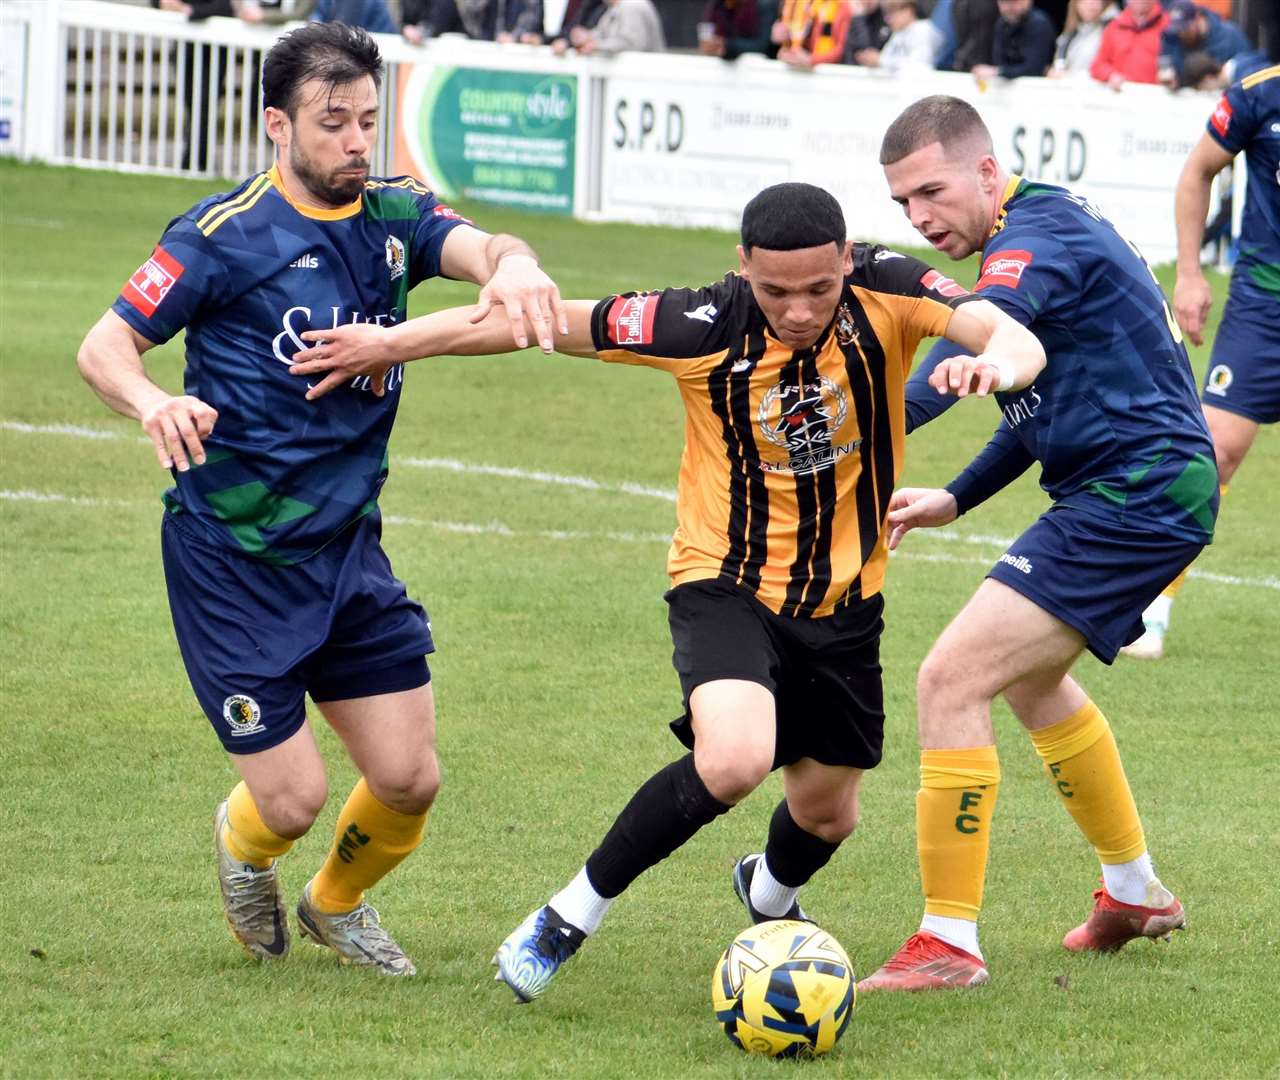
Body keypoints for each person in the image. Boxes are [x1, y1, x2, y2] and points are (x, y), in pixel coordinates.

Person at [286, 181, 1047, 1002]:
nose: (797, 310)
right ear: (742, 268)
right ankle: (567, 914)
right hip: (724, 583)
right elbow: (529, 321)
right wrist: (392, 343)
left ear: (845, 261)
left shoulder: (890, 285)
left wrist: (993, 365)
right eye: (775, 290)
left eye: (818, 289)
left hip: (844, 605)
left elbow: (1009, 332)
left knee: (828, 814)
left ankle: (768, 898)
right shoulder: (701, 322)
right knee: (733, 759)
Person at [74, 22, 566, 977]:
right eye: (332, 122)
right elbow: (104, 345)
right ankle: (243, 849)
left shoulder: (393, 214)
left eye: (368, 121)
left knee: (409, 778)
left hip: (345, 547)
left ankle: (335, 904)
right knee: (291, 801)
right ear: (277, 125)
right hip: (233, 557)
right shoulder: (218, 236)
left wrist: (512, 262)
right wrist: (151, 399)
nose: (354, 141)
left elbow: (481, 249)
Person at [862, 94, 1218, 991]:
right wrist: (954, 495)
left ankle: (947, 944)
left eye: (931, 193)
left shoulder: (1033, 241)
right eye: (902, 204)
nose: (918, 217)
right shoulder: (1037, 231)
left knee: (948, 680)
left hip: (1136, 494)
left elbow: (983, 343)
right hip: (1133, 489)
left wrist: (865, 431)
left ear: (987, 171)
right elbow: (1034, 406)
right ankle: (1135, 892)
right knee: (1027, 679)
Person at [1122, 0, 1280, 660]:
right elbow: (1197, 173)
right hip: (1267, 311)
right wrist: (1189, 274)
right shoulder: (1260, 93)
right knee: (1210, 453)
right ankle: (1149, 612)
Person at [1158, 0, 1251, 88]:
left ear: (1198, 18)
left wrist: (1221, 80)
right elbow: (1166, 66)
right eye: (1178, 29)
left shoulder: (1230, 36)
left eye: (1185, 28)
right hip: (1184, 99)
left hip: (1222, 97)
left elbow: (1248, 72)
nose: (1181, 33)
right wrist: (1172, 79)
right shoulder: (1171, 37)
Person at [1090, 0, 1169, 87]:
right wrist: (1110, 75)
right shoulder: (1114, 26)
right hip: (1122, 94)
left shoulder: (1169, 25)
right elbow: (1098, 64)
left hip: (1158, 96)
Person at [972, 0, 1057, 80]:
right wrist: (1001, 71)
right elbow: (998, 61)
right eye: (1004, 2)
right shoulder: (1002, 24)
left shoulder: (1039, 23)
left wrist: (999, 72)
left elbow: (1033, 68)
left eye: (1014, 1)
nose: (1009, 7)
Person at [772, 0, 853, 67]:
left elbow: (841, 50)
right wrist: (787, 44)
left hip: (831, 73)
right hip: (804, 70)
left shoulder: (844, 7)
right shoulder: (807, 4)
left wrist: (811, 60)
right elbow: (801, 38)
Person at [1047, 0, 1116, 77]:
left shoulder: (1111, 29)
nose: (1092, 5)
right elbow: (1059, 64)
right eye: (1085, 1)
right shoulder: (1068, 36)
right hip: (1069, 86)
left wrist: (1070, 76)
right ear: (1076, 4)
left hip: (1095, 85)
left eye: (1096, 1)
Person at [569, 0, 665, 53]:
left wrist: (596, 46)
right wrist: (586, 37)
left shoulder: (632, 5)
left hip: (644, 77)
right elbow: (602, 33)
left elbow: (632, 43)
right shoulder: (614, 8)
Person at [878, 0, 944, 72]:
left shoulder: (923, 30)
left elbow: (920, 66)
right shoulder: (898, 33)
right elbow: (885, 57)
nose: (888, 20)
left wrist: (881, 60)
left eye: (891, 13)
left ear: (908, 11)